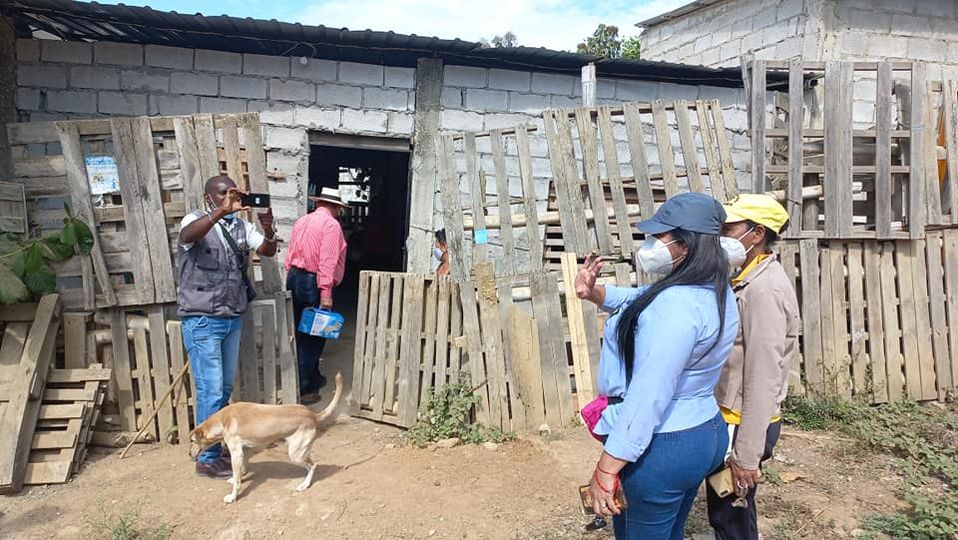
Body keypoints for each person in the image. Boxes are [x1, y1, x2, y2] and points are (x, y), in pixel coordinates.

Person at [575, 192, 740, 540]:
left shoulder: (674, 306)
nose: (651, 244)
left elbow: (649, 395)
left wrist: (608, 467)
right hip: (704, 430)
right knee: (669, 531)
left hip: (664, 445)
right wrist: (593, 292)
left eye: (659, 236)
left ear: (685, 245)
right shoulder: (715, 289)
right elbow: (636, 298)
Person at [708, 194, 800, 539]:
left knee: (731, 516)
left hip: (742, 421)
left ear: (757, 234)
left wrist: (747, 454)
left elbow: (764, 375)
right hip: (732, 415)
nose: (722, 236)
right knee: (727, 511)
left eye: (729, 229)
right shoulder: (747, 277)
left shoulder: (764, 291)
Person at [177, 175, 277, 478]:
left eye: (233, 193)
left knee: (223, 388)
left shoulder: (242, 227)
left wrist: (268, 228)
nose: (230, 198)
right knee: (210, 389)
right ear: (208, 197)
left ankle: (215, 448)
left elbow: (267, 251)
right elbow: (187, 236)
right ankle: (206, 459)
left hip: (232, 317)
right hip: (202, 319)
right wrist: (221, 211)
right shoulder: (195, 219)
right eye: (223, 193)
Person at [285, 186, 348, 404]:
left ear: (318, 203)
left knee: (300, 330)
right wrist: (326, 292)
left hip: (295, 277)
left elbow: (290, 254)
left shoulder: (302, 221)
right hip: (313, 281)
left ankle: (311, 376)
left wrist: (290, 278)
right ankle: (306, 388)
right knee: (314, 334)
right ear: (336, 208)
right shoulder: (331, 225)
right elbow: (327, 261)